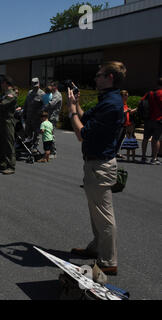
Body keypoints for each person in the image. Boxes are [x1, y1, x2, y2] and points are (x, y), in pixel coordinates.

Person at [67, 61, 127, 276]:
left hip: (100, 165)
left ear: (110, 77)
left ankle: (108, 260)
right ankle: (96, 247)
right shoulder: (108, 100)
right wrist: (77, 104)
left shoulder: (111, 104)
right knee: (96, 210)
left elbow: (81, 134)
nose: (95, 78)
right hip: (95, 164)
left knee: (103, 213)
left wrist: (71, 110)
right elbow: (86, 119)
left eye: (99, 75)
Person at [0, 76, 18, 174]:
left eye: (2, 82)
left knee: (8, 143)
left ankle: (11, 166)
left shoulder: (12, 94)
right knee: (1, 142)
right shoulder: (4, 94)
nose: (1, 84)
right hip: (1, 121)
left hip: (8, 122)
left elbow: (2, 104)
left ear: (6, 83)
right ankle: (3, 164)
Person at [140, 78, 162, 165]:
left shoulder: (149, 93)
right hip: (159, 119)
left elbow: (141, 102)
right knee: (156, 139)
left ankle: (143, 157)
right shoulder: (161, 93)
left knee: (145, 138)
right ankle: (154, 158)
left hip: (148, 119)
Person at [23, 78, 45, 150]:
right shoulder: (29, 93)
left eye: (36, 85)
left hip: (37, 118)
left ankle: (35, 148)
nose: (35, 87)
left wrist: (42, 116)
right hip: (29, 117)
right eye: (34, 85)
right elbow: (26, 104)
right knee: (28, 133)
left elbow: (44, 106)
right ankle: (28, 147)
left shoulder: (42, 94)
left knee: (36, 134)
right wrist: (24, 113)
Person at [44, 81, 63, 157]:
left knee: (51, 134)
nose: (50, 87)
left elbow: (51, 104)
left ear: (55, 87)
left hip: (53, 117)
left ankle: (53, 152)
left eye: (52, 86)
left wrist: (42, 107)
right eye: (50, 85)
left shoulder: (57, 95)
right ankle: (49, 151)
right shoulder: (53, 94)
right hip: (49, 116)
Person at [119, 90, 138, 162]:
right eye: (126, 95)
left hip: (126, 125)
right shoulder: (120, 104)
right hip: (120, 124)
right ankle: (113, 153)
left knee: (120, 140)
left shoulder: (125, 104)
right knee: (118, 139)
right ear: (122, 96)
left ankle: (115, 152)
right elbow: (119, 112)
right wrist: (126, 111)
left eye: (127, 95)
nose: (127, 97)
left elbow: (129, 112)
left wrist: (136, 109)